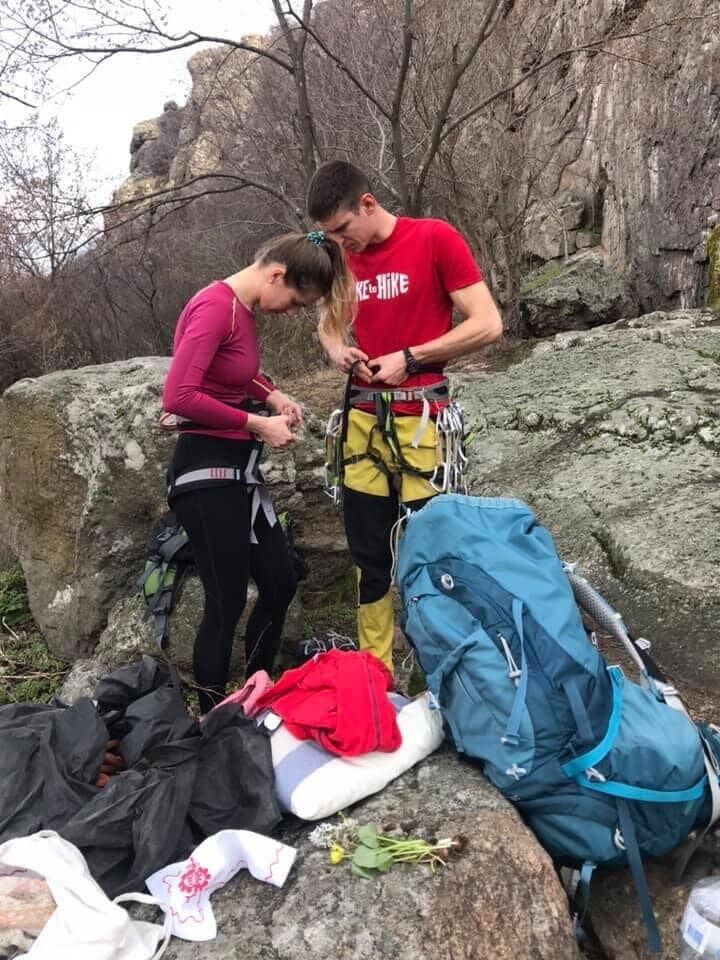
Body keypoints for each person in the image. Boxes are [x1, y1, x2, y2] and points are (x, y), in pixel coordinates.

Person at [307, 160, 503, 674]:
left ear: (367, 204)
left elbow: (487, 323)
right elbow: (328, 325)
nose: (340, 244)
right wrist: (336, 350)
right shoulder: (343, 260)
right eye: (330, 235)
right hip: (362, 425)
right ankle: (377, 673)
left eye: (343, 230)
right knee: (369, 557)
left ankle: (439, 669)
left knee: (428, 553)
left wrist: (412, 356)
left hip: (422, 422)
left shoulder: (434, 239)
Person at [162, 232, 356, 715]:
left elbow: (231, 372)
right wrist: (257, 423)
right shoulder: (215, 307)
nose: (290, 312)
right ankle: (213, 716)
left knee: (279, 581)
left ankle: (257, 689)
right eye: (294, 300)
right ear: (275, 275)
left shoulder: (238, 312)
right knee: (225, 600)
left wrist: (271, 394)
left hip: (237, 473)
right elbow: (178, 396)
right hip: (205, 474)